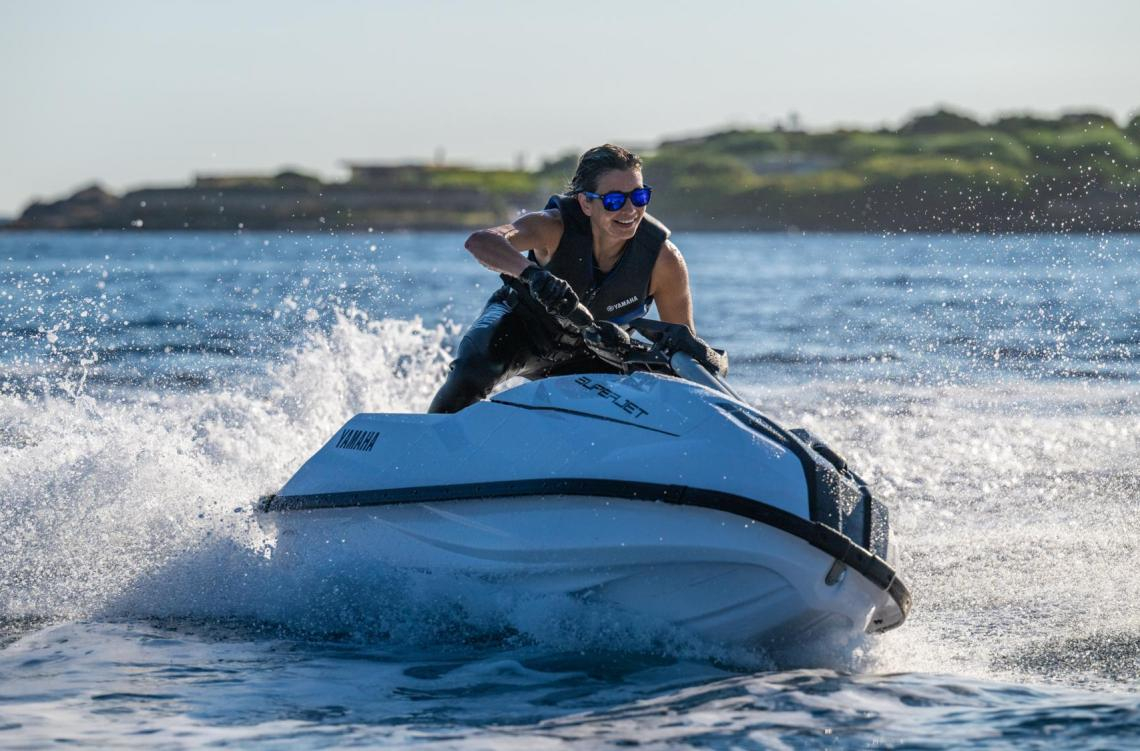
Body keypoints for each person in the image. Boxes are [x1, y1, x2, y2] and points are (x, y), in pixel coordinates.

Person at [428, 144, 724, 414]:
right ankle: (433, 436)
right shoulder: (552, 227)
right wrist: (533, 275)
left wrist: (697, 362)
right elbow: (481, 241)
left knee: (653, 396)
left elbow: (686, 353)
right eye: (614, 200)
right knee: (475, 371)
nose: (630, 210)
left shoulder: (664, 261)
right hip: (521, 331)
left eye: (639, 196)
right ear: (585, 203)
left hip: (594, 353)